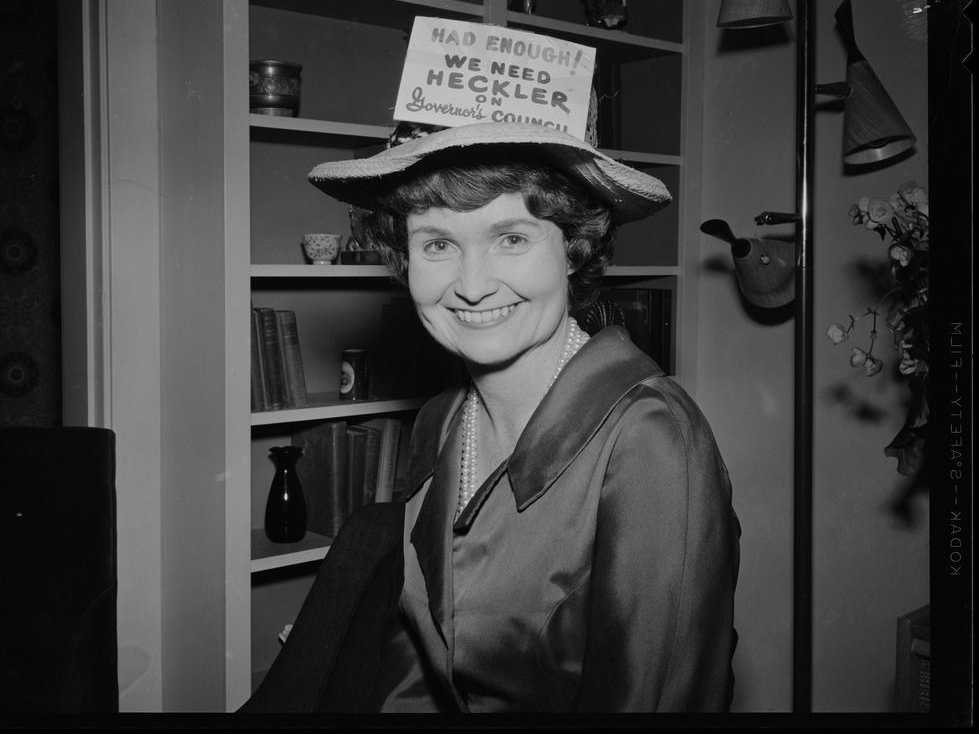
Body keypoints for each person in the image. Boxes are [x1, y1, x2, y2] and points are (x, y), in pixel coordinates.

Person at [307, 121, 740, 713]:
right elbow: (417, 670)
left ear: (573, 250)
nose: (473, 285)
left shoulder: (652, 442)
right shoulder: (440, 420)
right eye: (437, 244)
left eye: (511, 238)